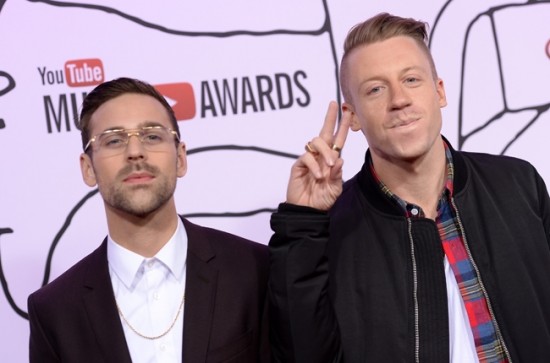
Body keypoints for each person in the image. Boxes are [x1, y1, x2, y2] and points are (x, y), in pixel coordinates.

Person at [268, 12, 550, 363]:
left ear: (439, 91)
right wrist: (303, 225)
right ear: (351, 115)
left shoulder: (518, 185)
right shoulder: (328, 232)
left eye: (412, 79)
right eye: (375, 89)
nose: (399, 100)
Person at [27, 77, 270, 363]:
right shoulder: (55, 311)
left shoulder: (254, 269)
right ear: (88, 168)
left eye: (152, 135)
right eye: (114, 140)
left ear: (180, 157)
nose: (135, 152)